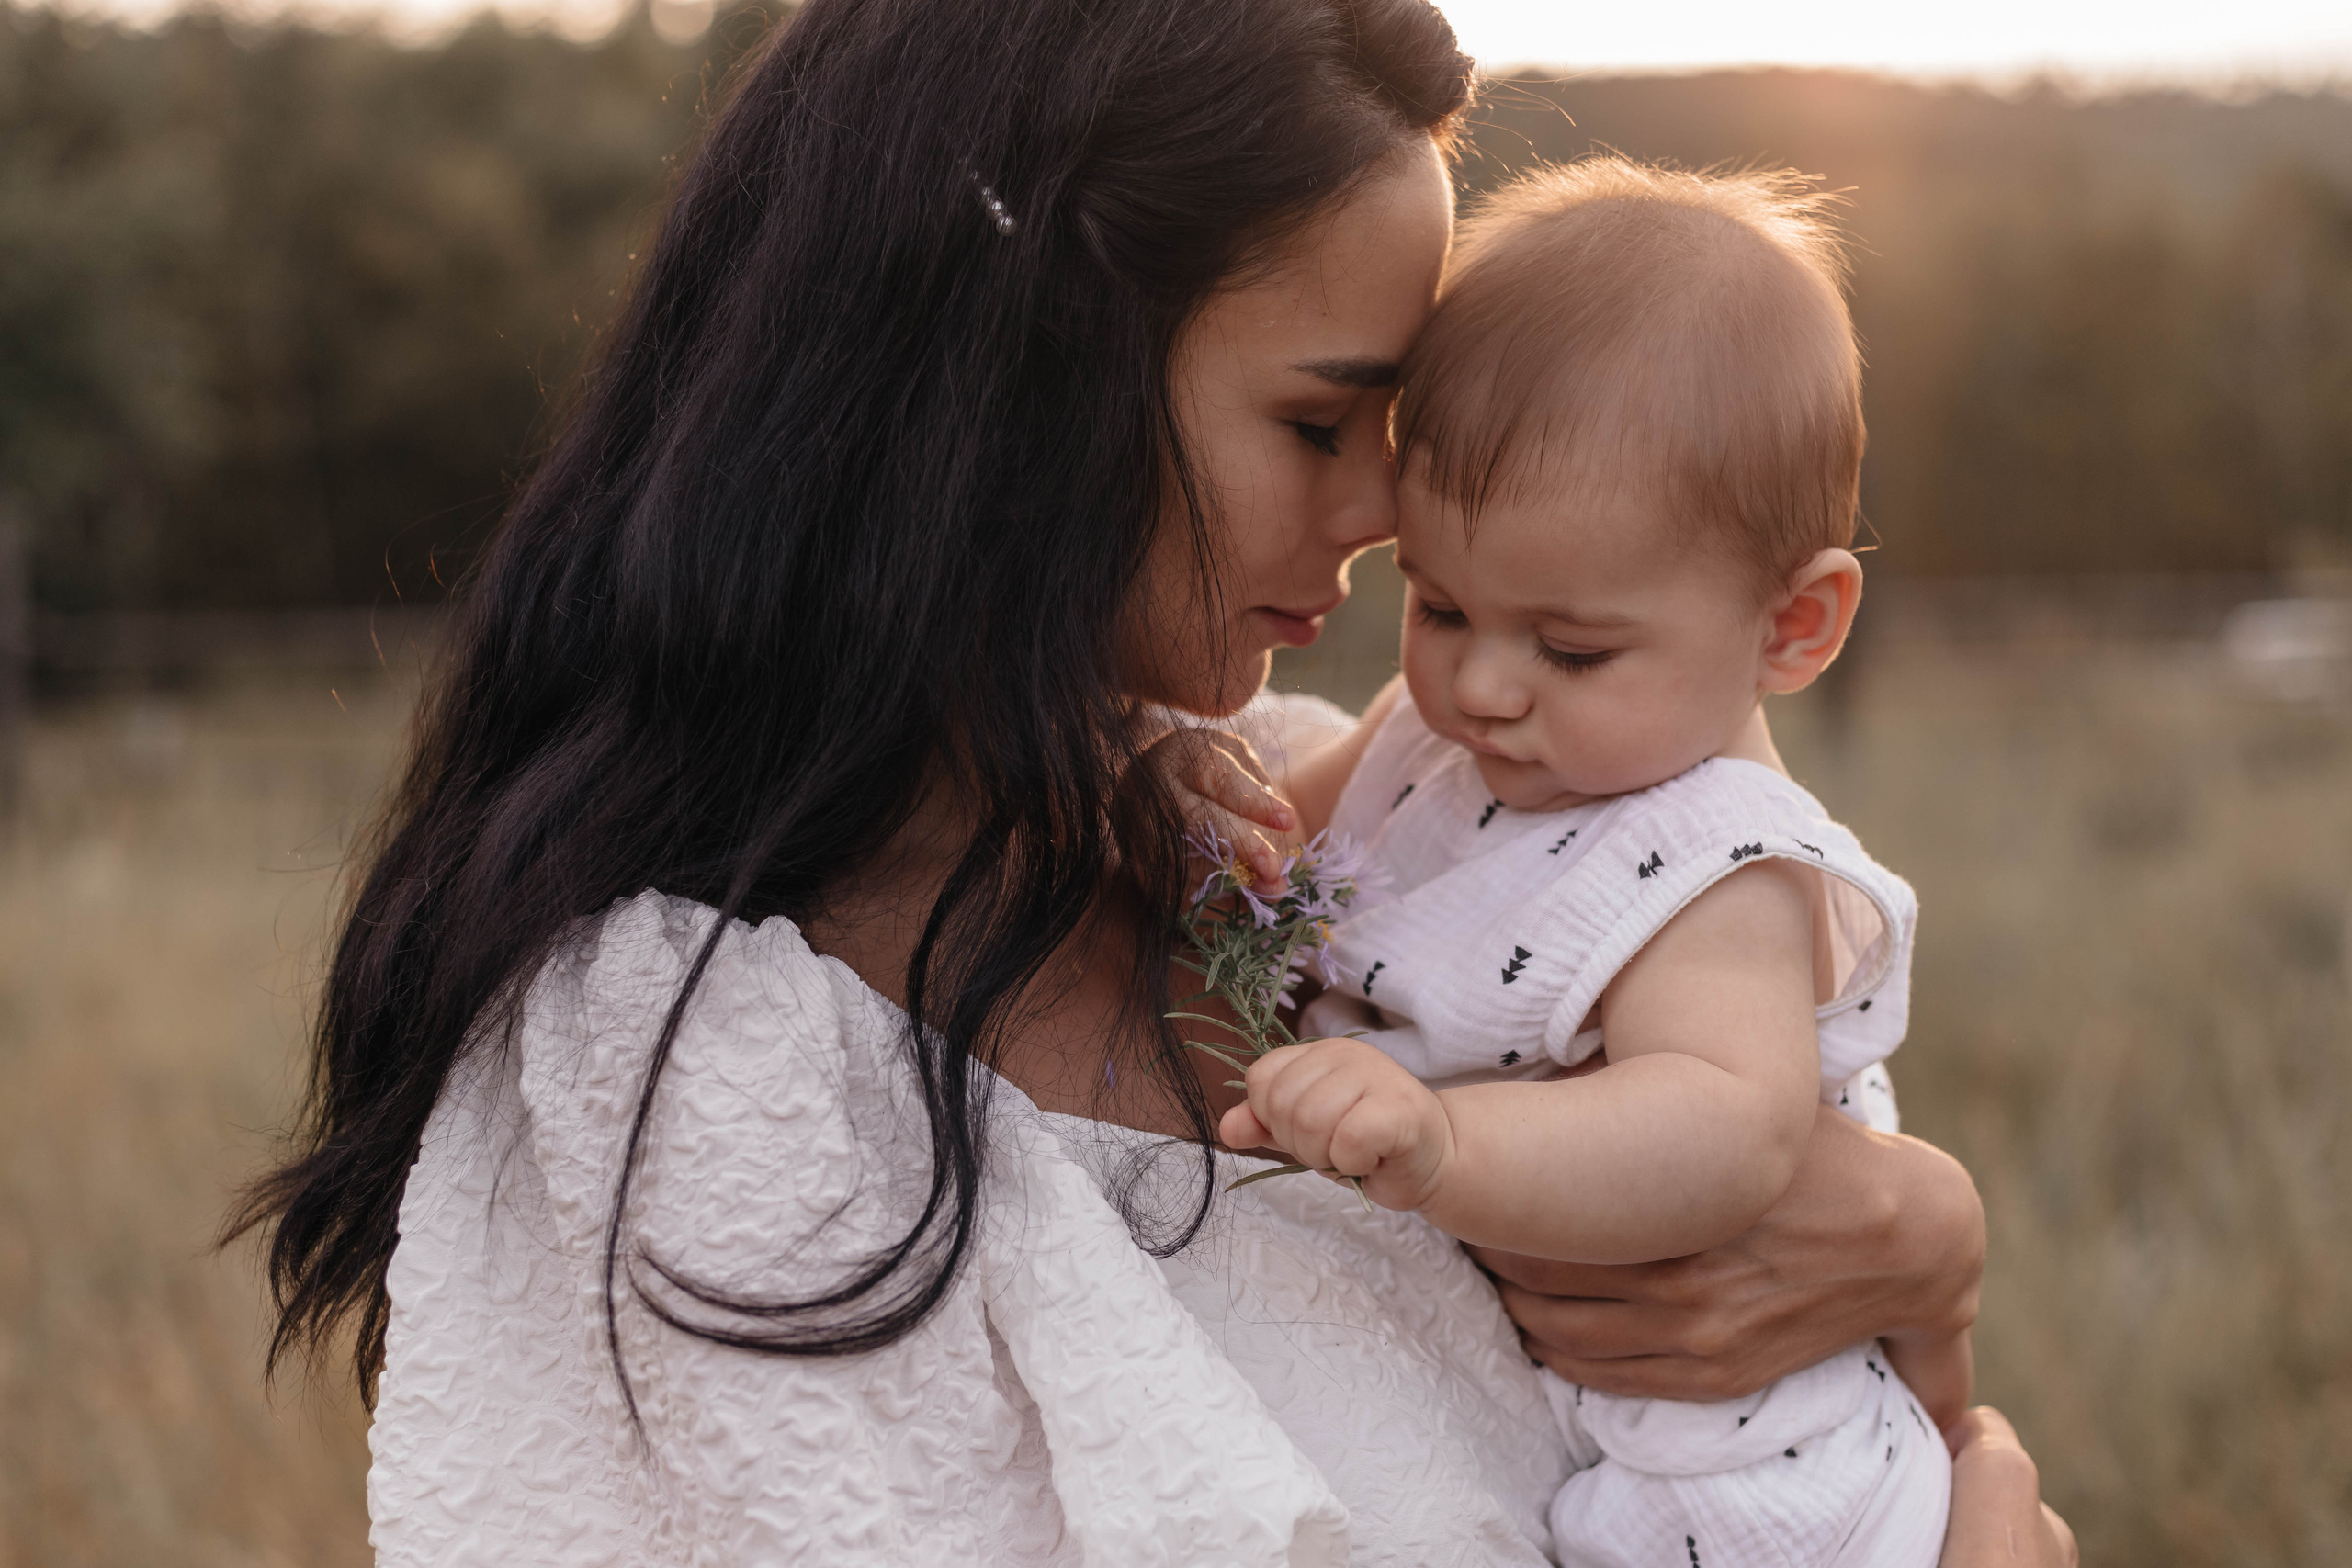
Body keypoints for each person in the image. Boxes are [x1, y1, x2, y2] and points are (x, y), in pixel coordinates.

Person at [224, 1, 2075, 1562]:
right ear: (1027, 367)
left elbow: (1786, 1236)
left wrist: (1928, 1241)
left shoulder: (1275, 815)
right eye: (1314, 422)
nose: (1384, 513)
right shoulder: (685, 1061)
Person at [1178, 160, 1961, 1567]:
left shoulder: (1716, 866)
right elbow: (1271, 857)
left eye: (1573, 648)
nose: (1482, 685)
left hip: (1743, 1474)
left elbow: (1728, 1127)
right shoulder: (1431, 732)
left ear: (1793, 628)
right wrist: (1186, 803)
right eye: (1441, 602)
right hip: (1572, 1422)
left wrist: (1450, 1141)